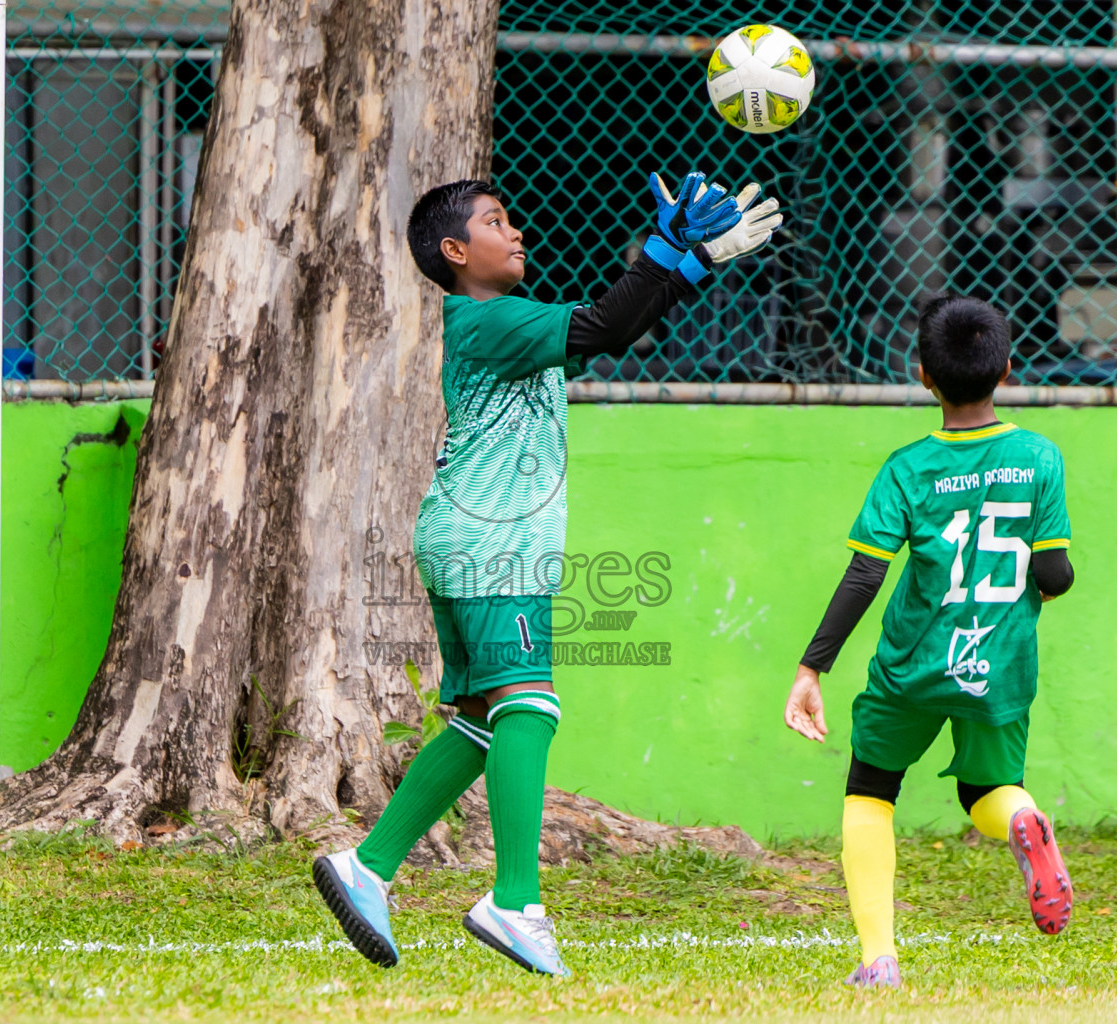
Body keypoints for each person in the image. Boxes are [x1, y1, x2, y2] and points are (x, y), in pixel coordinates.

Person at [311, 173, 783, 976]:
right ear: (457, 252)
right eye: (497, 223)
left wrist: (692, 263)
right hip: (494, 545)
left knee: (478, 719)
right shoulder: (492, 320)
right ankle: (516, 901)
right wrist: (668, 253)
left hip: (469, 538)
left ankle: (368, 868)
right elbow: (602, 327)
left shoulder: (502, 321)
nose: (517, 232)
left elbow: (613, 326)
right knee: (532, 705)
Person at [783, 295, 1077, 988]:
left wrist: (810, 666)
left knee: (872, 789)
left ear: (921, 374)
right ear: (1007, 369)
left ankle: (878, 958)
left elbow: (865, 575)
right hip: (1000, 663)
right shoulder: (1038, 455)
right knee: (989, 787)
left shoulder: (908, 468)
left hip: (913, 664)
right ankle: (1025, 821)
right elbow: (1055, 573)